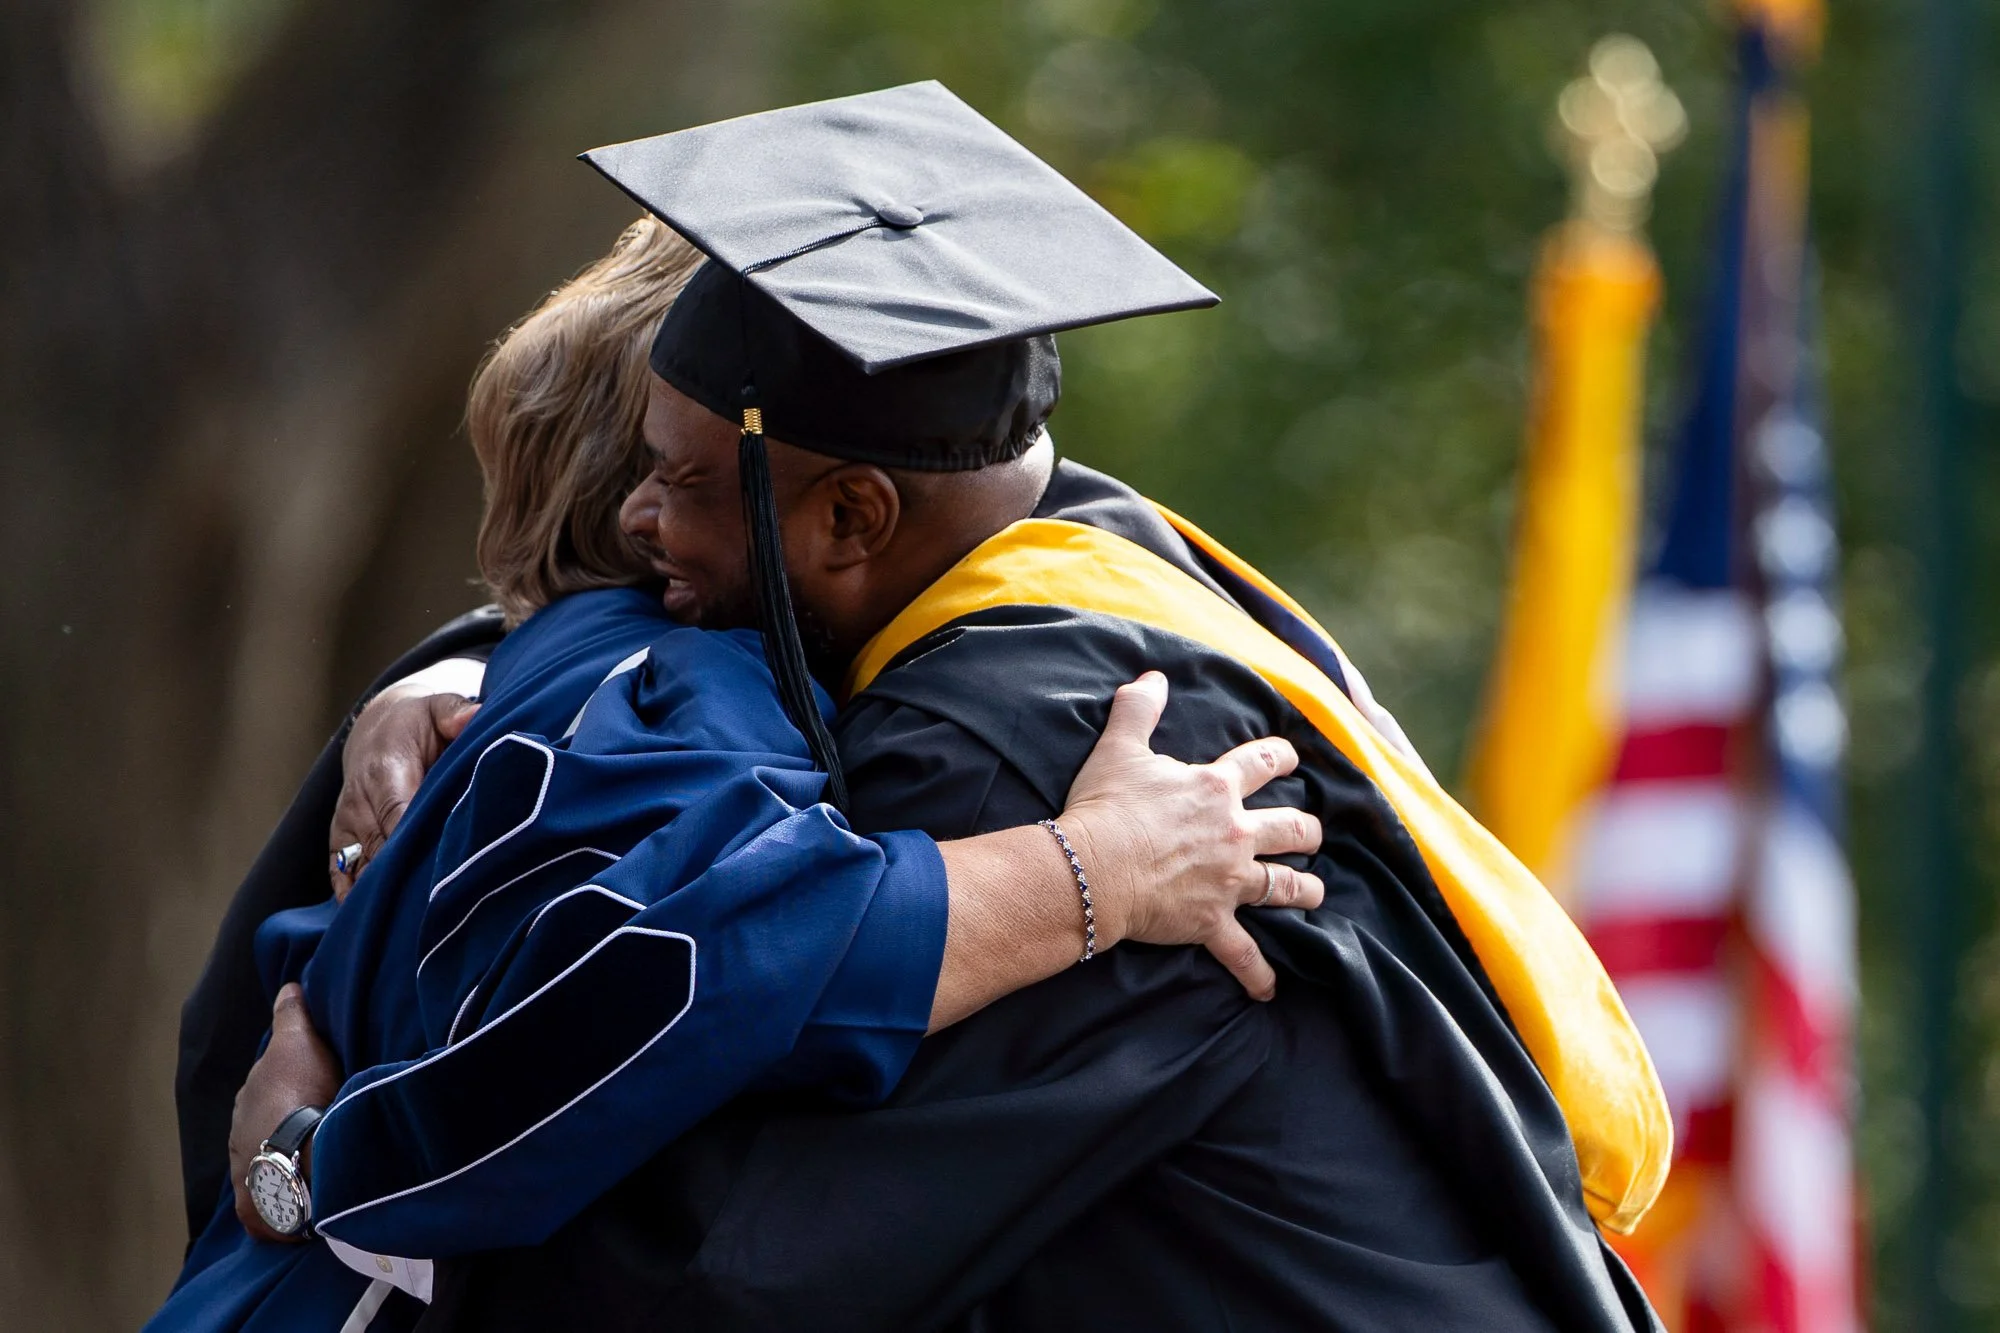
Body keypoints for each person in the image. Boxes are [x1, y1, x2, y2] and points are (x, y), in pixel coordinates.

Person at [382, 82, 1673, 1331]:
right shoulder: (1111, 558)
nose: (634, 520)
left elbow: (718, 1269)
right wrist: (454, 681)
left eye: (678, 482)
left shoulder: (1048, 761)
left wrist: (338, 1167)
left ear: (850, 517)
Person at [155, 214, 1323, 1333]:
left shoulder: (515, 684)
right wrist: (1096, 870)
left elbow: (221, 1043)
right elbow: (697, 969)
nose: (643, 510)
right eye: (654, 472)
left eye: (682, 478)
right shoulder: (680, 696)